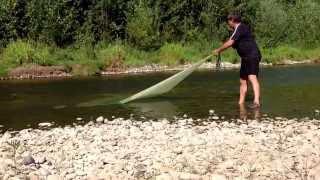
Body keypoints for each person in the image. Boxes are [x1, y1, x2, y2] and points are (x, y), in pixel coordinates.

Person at [213, 14, 262, 108]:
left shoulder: (240, 27)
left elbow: (230, 42)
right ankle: (240, 103)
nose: (228, 23)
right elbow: (233, 43)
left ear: (232, 20)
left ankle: (256, 102)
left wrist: (218, 50)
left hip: (252, 55)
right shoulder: (237, 30)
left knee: (252, 77)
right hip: (245, 57)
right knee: (243, 80)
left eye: (228, 21)